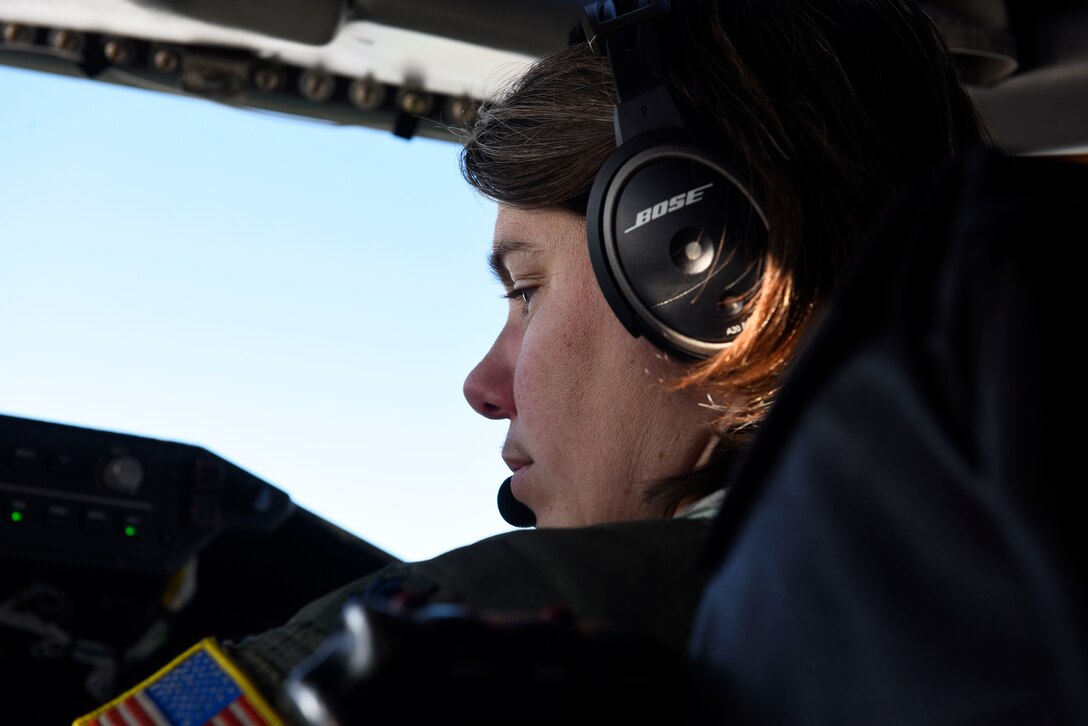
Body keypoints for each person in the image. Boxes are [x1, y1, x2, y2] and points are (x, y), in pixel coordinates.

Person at [71, 1, 991, 724]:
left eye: (525, 291)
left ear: (703, 271)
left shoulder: (459, 630)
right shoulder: (1000, 590)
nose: (483, 387)